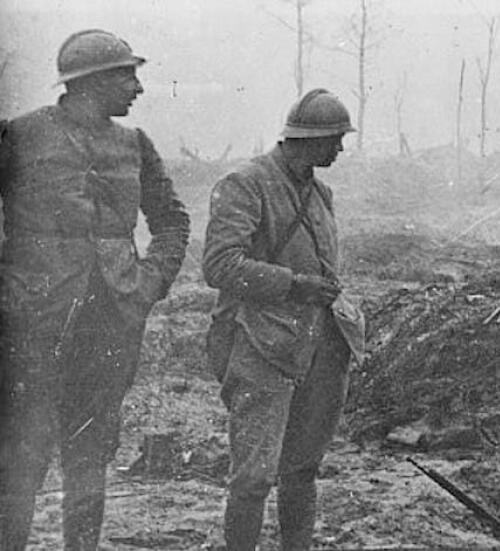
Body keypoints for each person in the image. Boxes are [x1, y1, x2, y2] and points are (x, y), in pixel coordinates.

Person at [0, 29, 190, 551]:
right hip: (30, 329)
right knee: (21, 458)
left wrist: (148, 283)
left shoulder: (135, 144)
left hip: (109, 327)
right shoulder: (19, 136)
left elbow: (171, 220)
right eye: (127, 77)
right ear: (90, 82)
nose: (138, 89)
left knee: (90, 456)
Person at [203, 89, 365, 551]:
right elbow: (220, 265)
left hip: (318, 345)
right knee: (253, 476)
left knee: (302, 469)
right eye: (334, 139)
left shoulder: (320, 193)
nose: (340, 149)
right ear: (308, 139)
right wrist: (294, 285)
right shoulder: (245, 183)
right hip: (260, 344)